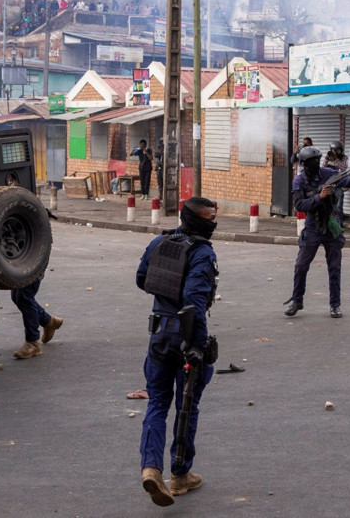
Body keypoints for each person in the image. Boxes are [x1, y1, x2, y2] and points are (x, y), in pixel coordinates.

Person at [136, 197, 219, 507]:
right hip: (185, 335)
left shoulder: (160, 242)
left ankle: (150, 468)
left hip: (159, 333)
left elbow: (142, 278)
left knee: (157, 402)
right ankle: (180, 474)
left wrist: (167, 292)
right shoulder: (202, 252)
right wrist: (197, 345)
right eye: (210, 218)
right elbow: (194, 301)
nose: (214, 223)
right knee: (187, 406)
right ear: (197, 220)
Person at [284, 146, 350, 319]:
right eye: (313, 161)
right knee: (301, 266)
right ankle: (297, 301)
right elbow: (299, 205)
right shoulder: (299, 181)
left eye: (318, 159)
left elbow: (345, 180)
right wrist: (319, 197)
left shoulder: (328, 173)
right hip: (313, 226)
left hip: (331, 224)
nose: (316, 163)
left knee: (334, 268)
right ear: (304, 163)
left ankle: (335, 305)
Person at [0, 281, 63, 359]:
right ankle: (48, 322)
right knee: (16, 296)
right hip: (20, 270)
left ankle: (33, 342)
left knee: (24, 298)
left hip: (30, 269)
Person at [324, 141, 348, 226]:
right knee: (329, 206)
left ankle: (339, 224)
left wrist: (335, 159)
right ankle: (330, 224)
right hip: (330, 186)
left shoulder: (344, 158)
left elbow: (344, 169)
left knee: (338, 207)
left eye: (337, 150)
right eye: (333, 150)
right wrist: (327, 159)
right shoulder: (329, 157)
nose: (335, 152)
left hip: (338, 185)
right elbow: (323, 168)